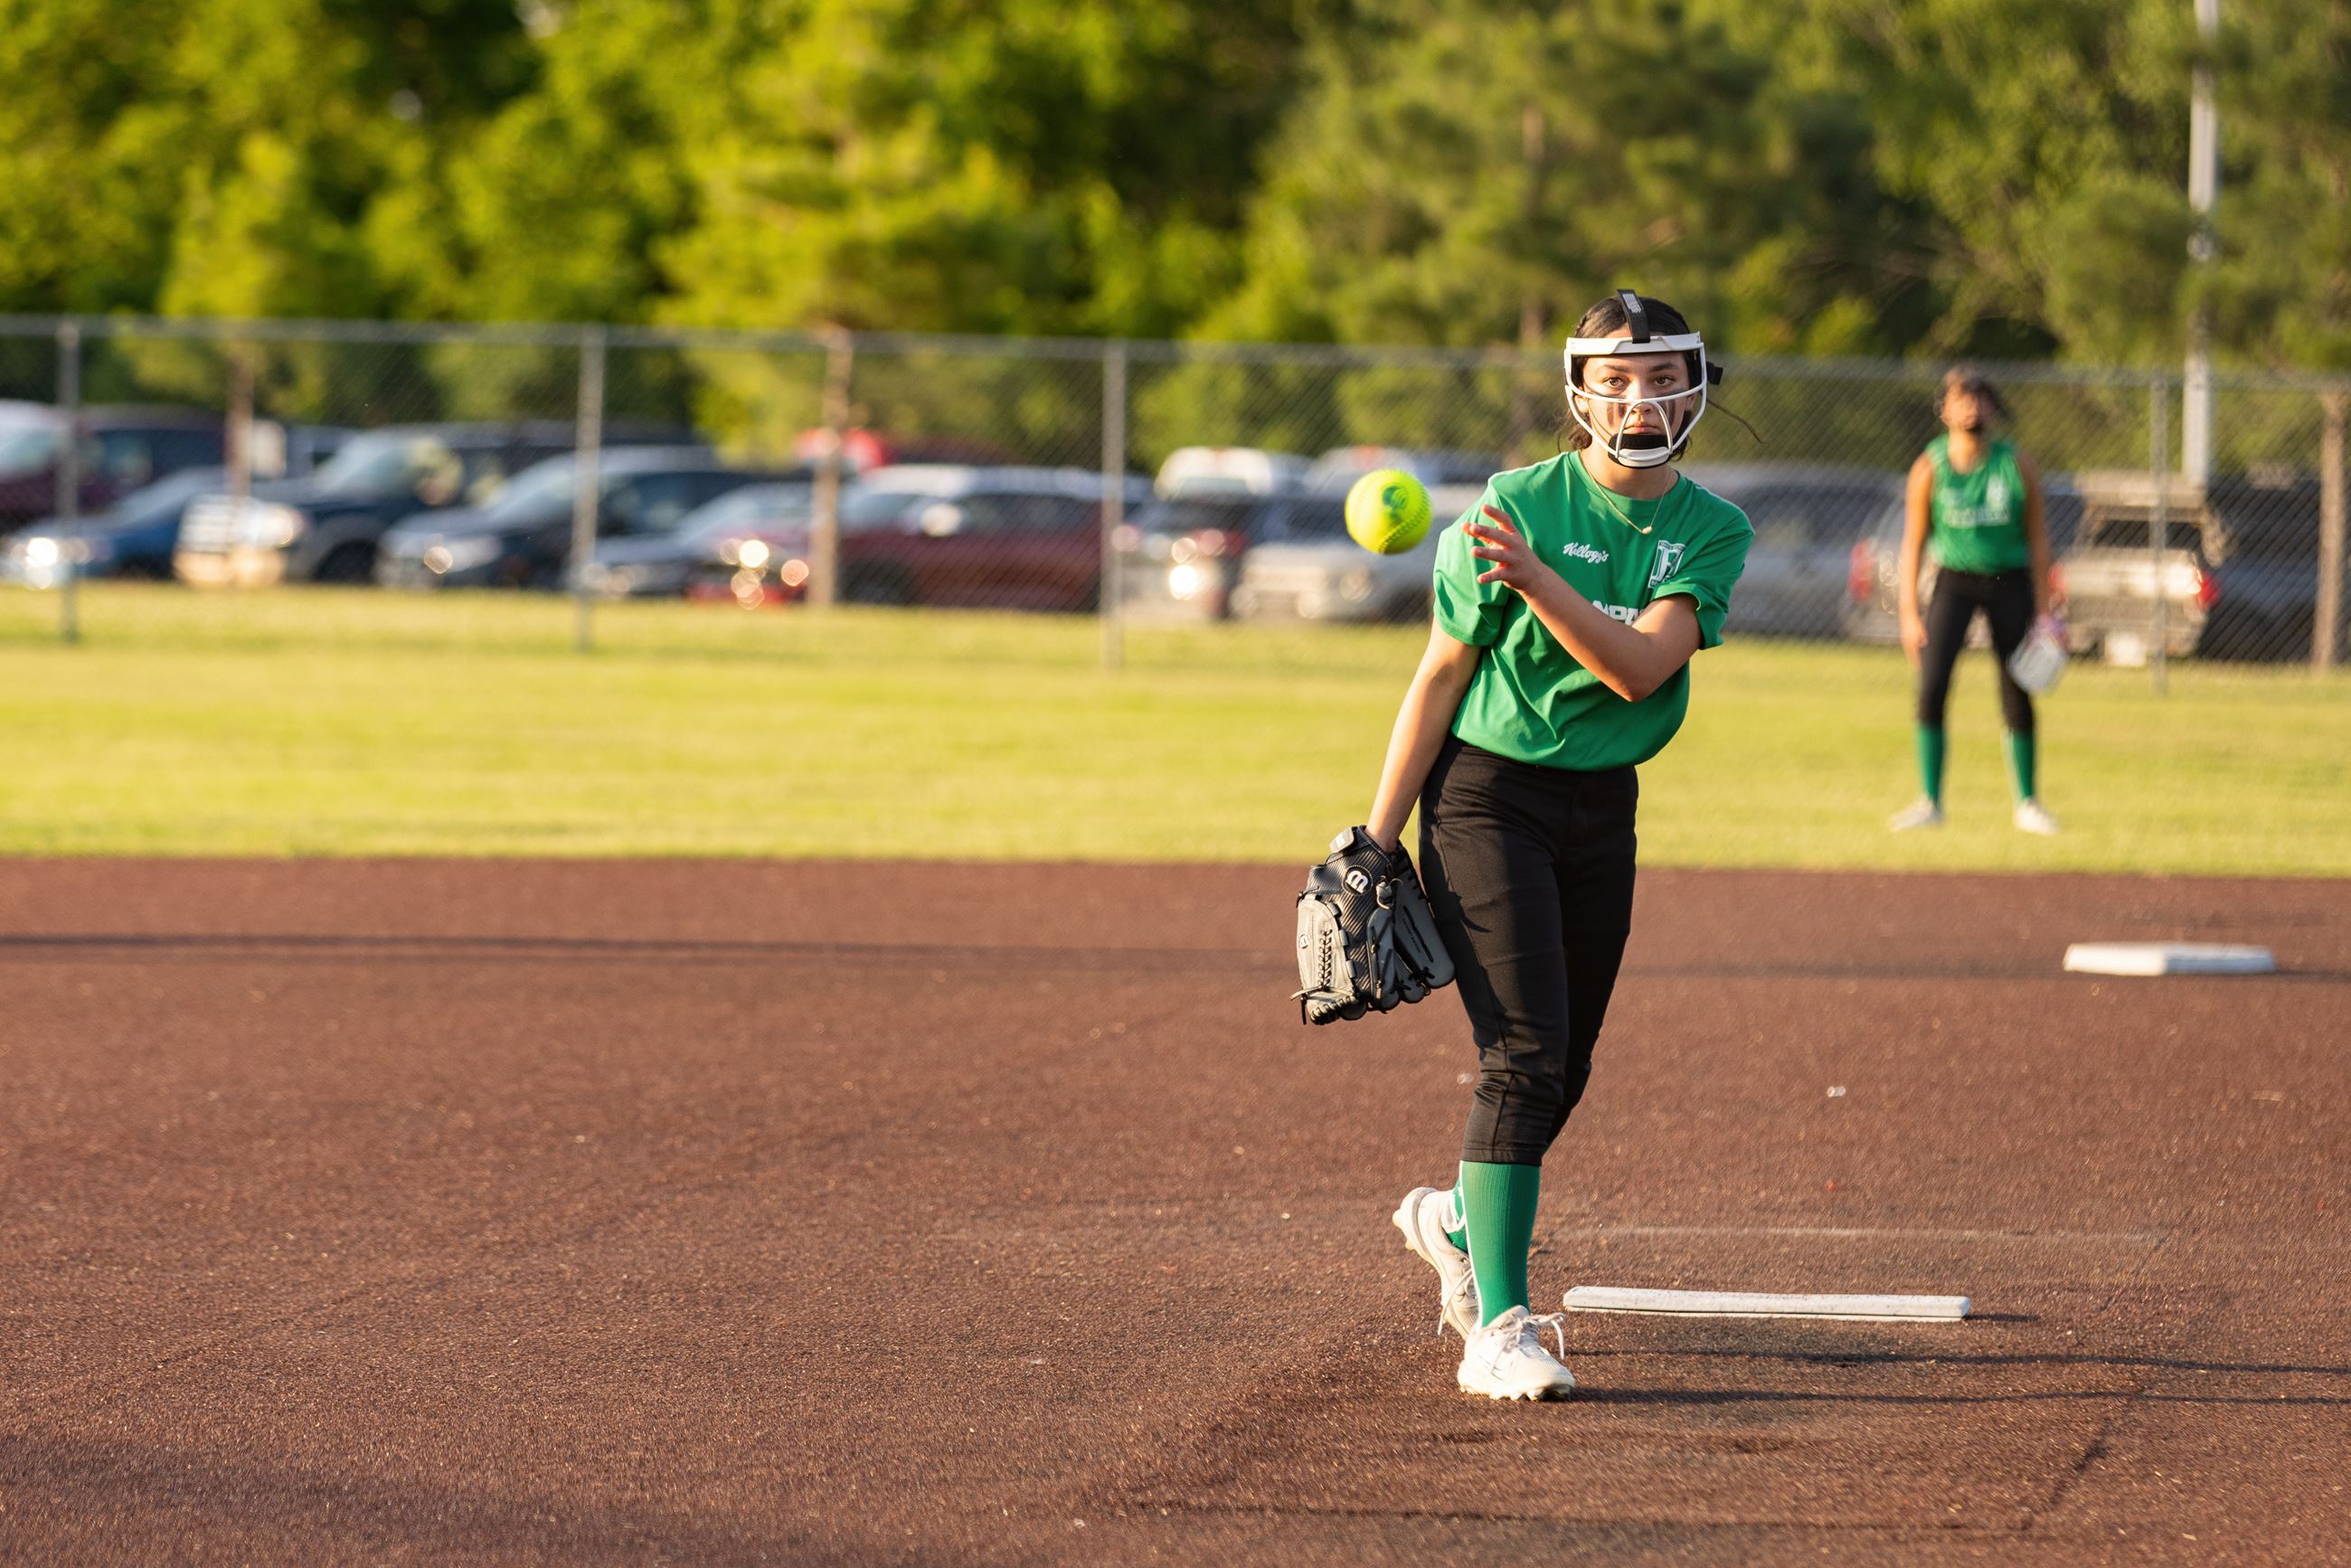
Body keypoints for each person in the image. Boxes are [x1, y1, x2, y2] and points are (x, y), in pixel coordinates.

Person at [1368, 290, 1752, 1400]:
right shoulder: (1515, 501)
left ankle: (1451, 1217)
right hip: (1485, 798)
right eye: (1617, 377)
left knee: (1560, 1068)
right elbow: (1440, 672)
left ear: (1695, 386)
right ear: (1580, 391)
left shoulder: (1712, 527)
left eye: (1662, 375)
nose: (1641, 397)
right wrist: (1372, 838)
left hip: (1601, 804)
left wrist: (1539, 580)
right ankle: (1497, 1327)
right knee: (1523, 1057)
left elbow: (1639, 669)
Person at [1890, 366, 2062, 835]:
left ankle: (2028, 803)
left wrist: (2045, 611)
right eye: (1962, 398)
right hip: (1955, 580)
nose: (1972, 407)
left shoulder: (2016, 463)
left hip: (2010, 580)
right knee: (1931, 686)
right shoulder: (1931, 467)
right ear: (1944, 409)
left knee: (2017, 687)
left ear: (1993, 407)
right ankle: (1930, 801)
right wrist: (1908, 613)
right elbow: (1913, 542)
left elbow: (2040, 539)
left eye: (1981, 398)